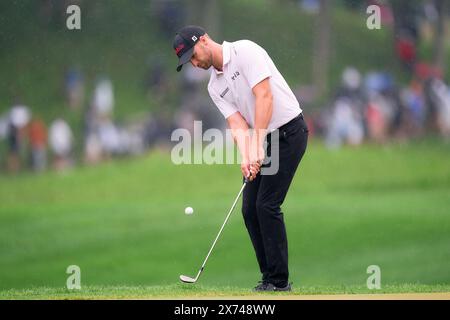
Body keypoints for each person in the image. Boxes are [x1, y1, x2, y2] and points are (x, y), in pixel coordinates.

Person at [173, 26, 308, 291]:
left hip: (289, 131)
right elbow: (236, 124)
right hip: (265, 138)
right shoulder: (215, 86)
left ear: (204, 40)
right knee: (249, 209)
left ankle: (280, 283)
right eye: (188, 61)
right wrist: (247, 155)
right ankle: (268, 278)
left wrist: (257, 143)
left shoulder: (245, 51)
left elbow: (264, 97)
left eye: (193, 55)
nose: (194, 62)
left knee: (266, 205)